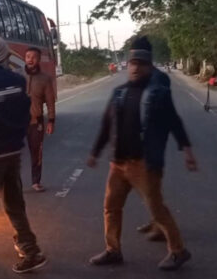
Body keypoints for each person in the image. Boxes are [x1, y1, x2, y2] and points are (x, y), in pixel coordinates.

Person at [86, 36, 199, 271]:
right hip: (117, 164)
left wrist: (186, 149)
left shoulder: (158, 93)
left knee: (157, 209)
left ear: (149, 66)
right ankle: (112, 250)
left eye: (141, 64)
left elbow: (174, 122)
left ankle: (178, 251)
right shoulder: (119, 92)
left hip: (144, 165)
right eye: (132, 63)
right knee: (111, 207)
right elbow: (107, 125)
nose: (135, 68)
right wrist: (95, 152)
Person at [0, 34, 47, 278]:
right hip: (13, 153)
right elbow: (26, 113)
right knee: (15, 204)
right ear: (2, 54)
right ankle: (30, 251)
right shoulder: (17, 79)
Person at [25, 48, 56, 192]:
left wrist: (51, 120)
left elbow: (50, 102)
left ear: (39, 60)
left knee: (36, 152)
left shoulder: (45, 79)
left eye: (34, 57)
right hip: (17, 122)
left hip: (35, 122)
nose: (30, 59)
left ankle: (36, 181)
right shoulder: (18, 76)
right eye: (28, 56)